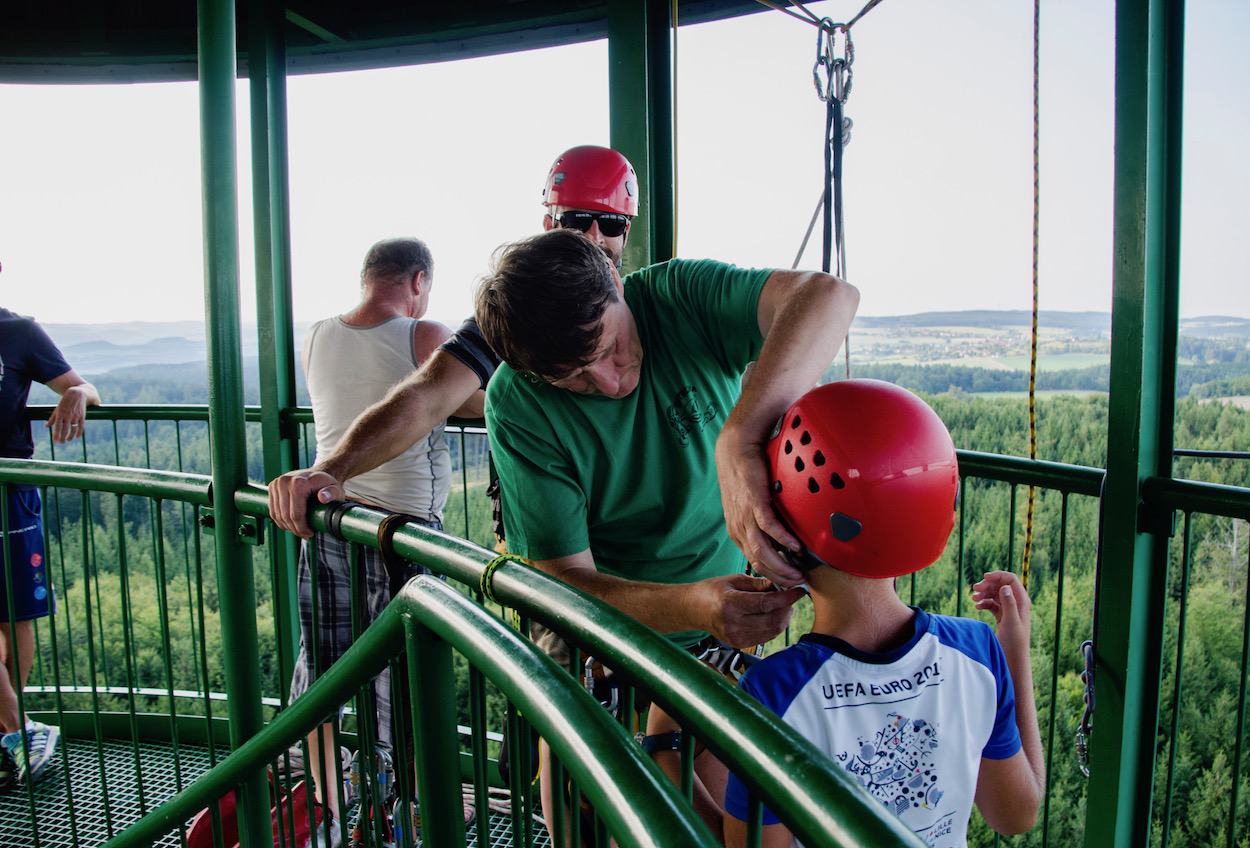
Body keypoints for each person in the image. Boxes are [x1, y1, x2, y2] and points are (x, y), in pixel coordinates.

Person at [473, 227, 859, 838]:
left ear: (619, 286)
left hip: (719, 630)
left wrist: (743, 435)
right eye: (573, 377)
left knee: (708, 821)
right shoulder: (517, 402)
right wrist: (693, 606)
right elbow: (563, 585)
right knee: (583, 811)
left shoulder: (676, 299)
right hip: (602, 640)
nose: (606, 380)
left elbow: (828, 296)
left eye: (612, 346)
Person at [721, 379, 1045, 848]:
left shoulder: (774, 692)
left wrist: (665, 746)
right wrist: (1013, 652)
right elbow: (1015, 814)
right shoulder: (977, 651)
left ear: (780, 530)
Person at [266, 145, 635, 540]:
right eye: (578, 220)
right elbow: (428, 395)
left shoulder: (656, 307)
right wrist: (331, 470)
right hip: (548, 533)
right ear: (550, 224)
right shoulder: (513, 313)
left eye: (610, 223)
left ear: (626, 231)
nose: (595, 236)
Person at [285, 238, 478, 843]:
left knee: (320, 668)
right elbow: (472, 402)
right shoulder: (424, 337)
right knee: (409, 677)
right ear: (418, 281)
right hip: (402, 533)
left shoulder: (314, 335)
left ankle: (331, 792)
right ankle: (407, 810)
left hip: (327, 519)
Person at [0, 259, 101, 789]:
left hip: (8, 492)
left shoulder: (17, 333)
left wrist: (77, 395)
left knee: (15, 619)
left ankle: (9, 732)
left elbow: (84, 387)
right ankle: (21, 729)